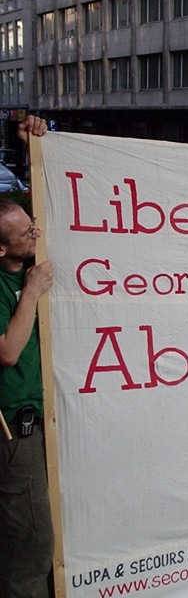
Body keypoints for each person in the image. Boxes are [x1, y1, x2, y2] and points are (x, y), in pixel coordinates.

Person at [0, 115, 52, 598]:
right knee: (32, 540)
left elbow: (50, 208)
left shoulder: (28, 253)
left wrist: (28, 148)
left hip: (39, 422)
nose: (35, 234)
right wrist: (31, 295)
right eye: (24, 233)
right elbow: (8, 351)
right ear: (1, 250)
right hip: (14, 429)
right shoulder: (11, 284)